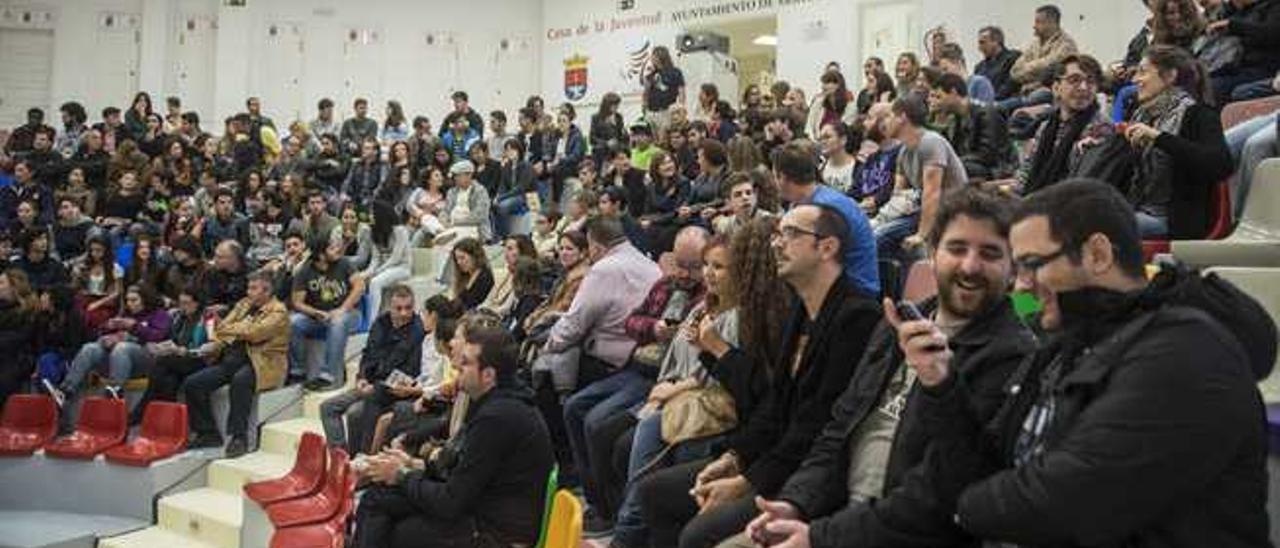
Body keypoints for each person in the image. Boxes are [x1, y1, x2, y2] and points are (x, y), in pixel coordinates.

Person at [857, 179, 1275, 547]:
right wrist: (943, 384)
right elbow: (985, 458)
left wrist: (955, 510)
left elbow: (1061, 501)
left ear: (1096, 254)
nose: (1018, 284)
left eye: (1028, 264)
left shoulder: (1182, 353)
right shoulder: (1062, 342)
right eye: (956, 249)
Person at [741, 187, 1037, 548]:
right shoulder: (893, 325)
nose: (970, 266)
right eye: (957, 249)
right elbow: (838, 429)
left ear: (1013, 270)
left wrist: (820, 537)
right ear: (933, 253)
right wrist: (795, 502)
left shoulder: (1013, 356)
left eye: (990, 253)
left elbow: (944, 492)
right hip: (836, 516)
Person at [637, 204, 881, 548]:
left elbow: (817, 427)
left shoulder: (857, 318)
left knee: (699, 534)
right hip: (773, 456)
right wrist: (734, 458)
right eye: (778, 234)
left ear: (827, 248)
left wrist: (748, 480)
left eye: (791, 234)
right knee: (655, 491)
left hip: (808, 476)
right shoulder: (800, 307)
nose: (777, 244)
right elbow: (774, 403)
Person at [355, 325, 553, 548]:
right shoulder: (500, 403)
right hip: (485, 510)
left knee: (399, 528)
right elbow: (466, 474)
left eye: (466, 362)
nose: (457, 365)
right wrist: (414, 466)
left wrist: (402, 475)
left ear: (488, 375)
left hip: (497, 533)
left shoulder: (498, 417)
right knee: (380, 498)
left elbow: (450, 502)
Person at [570, 226, 708, 535]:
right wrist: (654, 328)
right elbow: (633, 320)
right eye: (680, 264)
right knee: (575, 406)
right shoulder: (665, 284)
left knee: (600, 426)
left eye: (694, 267)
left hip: (667, 378)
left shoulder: (706, 298)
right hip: (638, 366)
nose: (684, 273)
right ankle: (598, 501)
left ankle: (618, 516)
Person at [1122, 45, 1233, 238]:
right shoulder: (1142, 115)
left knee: (1098, 226)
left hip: (1172, 220)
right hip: (1140, 210)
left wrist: (1159, 138)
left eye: (1142, 72)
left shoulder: (1198, 114)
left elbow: (1221, 164)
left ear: (1170, 76)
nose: (1135, 80)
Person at [185, 271, 289, 458]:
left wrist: (228, 328)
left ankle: (238, 438)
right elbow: (222, 330)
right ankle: (207, 432)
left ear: (267, 291)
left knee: (240, 381)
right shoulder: (243, 304)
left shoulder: (278, 311)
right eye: (249, 287)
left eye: (253, 288)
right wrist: (223, 335)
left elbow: (255, 333)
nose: (248, 292)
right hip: (234, 357)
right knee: (194, 383)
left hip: (262, 361)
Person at [1003, 54, 1131, 195]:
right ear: (1056, 87)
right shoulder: (1046, 126)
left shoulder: (1101, 129)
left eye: (1090, 81)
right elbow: (1026, 174)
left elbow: (1080, 187)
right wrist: (1007, 192)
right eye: (1074, 80)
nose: (1083, 87)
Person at [320, 284, 424, 454]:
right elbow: (368, 354)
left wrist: (375, 387)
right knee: (328, 407)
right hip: (370, 383)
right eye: (399, 308)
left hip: (391, 392)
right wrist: (361, 377)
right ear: (390, 307)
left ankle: (359, 460)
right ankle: (342, 459)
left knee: (355, 413)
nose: (404, 313)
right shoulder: (381, 323)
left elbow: (410, 371)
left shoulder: (417, 330)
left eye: (408, 308)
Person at [772, 143, 880, 298]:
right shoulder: (804, 201)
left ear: (781, 177)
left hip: (855, 293)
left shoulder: (825, 208)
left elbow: (814, 261)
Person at [877, 96, 968, 260]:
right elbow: (899, 197)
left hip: (953, 211)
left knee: (879, 238)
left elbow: (932, 194)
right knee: (872, 236)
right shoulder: (903, 151)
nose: (883, 123)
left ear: (902, 117)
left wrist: (921, 235)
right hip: (921, 211)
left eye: (889, 116)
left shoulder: (931, 142)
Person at [289, 232, 366, 390]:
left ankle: (328, 374)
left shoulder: (344, 263)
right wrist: (316, 313)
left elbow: (360, 287)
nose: (337, 249)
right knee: (293, 322)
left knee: (338, 322)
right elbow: (297, 302)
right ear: (320, 255)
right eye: (331, 248)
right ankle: (298, 370)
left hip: (349, 314)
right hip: (319, 317)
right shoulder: (304, 271)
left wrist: (342, 309)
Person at [130, 285, 208, 424]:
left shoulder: (207, 318)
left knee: (162, 363)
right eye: (180, 303)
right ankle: (168, 424)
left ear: (197, 303)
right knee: (168, 380)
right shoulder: (178, 317)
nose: (182, 307)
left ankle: (140, 411)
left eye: (186, 303)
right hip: (178, 360)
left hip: (199, 359)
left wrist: (185, 351)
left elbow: (210, 347)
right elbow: (171, 339)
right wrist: (161, 347)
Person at [927, 72, 1011, 180]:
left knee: (949, 167)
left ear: (953, 93)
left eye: (939, 97)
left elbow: (988, 155)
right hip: (973, 165)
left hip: (996, 169)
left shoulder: (987, 114)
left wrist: (954, 161)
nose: (937, 102)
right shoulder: (957, 119)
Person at [1005, 5, 1079, 110]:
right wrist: (1036, 70)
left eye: (1038, 22)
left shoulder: (1066, 45)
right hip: (1025, 93)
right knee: (997, 108)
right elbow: (1015, 72)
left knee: (1019, 105)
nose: (1034, 26)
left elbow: (1050, 71)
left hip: (1050, 94)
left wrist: (1028, 67)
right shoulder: (1034, 44)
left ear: (1052, 23)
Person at [1206, 0, 1280, 103]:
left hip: (1263, 68)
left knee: (1215, 87)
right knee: (1202, 81)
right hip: (1235, 65)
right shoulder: (1238, 9)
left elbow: (1270, 34)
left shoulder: (1274, 6)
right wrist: (1233, 6)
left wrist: (1234, 25)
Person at [362, 200, 412, 317]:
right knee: (361, 279)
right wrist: (366, 273)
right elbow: (375, 259)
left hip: (401, 268)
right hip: (383, 268)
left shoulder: (400, 231)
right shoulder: (373, 231)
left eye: (372, 213)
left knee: (375, 282)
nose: (370, 216)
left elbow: (396, 258)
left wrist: (376, 272)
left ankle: (372, 322)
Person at [0, 269, 38, 406]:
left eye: (2, 283)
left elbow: (22, 337)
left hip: (19, 357)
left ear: (14, 287)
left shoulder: (28, 310)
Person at [644, 46, 687, 132]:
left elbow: (681, 92)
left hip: (666, 110)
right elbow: (646, 92)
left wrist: (681, 108)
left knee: (665, 136)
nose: (652, 58)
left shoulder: (675, 72)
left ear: (660, 56)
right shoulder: (652, 74)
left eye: (653, 56)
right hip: (652, 111)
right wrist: (644, 107)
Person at [976, 26, 1023, 101]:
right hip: (984, 105)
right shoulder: (979, 67)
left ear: (996, 41)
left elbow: (1011, 85)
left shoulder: (1013, 58)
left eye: (983, 42)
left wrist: (991, 100)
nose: (979, 47)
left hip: (1006, 101)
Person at [13, 226, 68, 291]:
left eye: (45, 238)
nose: (44, 242)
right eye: (39, 239)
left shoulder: (55, 265)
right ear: (29, 243)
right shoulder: (17, 265)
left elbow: (61, 286)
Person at [448, 238, 496, 310]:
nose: (459, 262)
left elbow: (470, 304)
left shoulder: (484, 277)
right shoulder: (465, 276)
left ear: (474, 256)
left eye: (462, 258)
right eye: (457, 259)